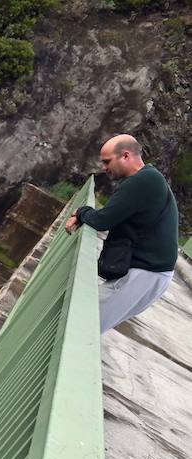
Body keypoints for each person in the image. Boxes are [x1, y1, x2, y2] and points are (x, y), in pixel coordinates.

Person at [63, 134, 179, 332]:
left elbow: (103, 220)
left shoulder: (143, 181)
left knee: (81, 325)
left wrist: (81, 213)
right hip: (150, 273)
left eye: (107, 161)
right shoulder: (149, 178)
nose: (104, 167)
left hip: (145, 273)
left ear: (126, 156)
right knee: (88, 323)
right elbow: (112, 214)